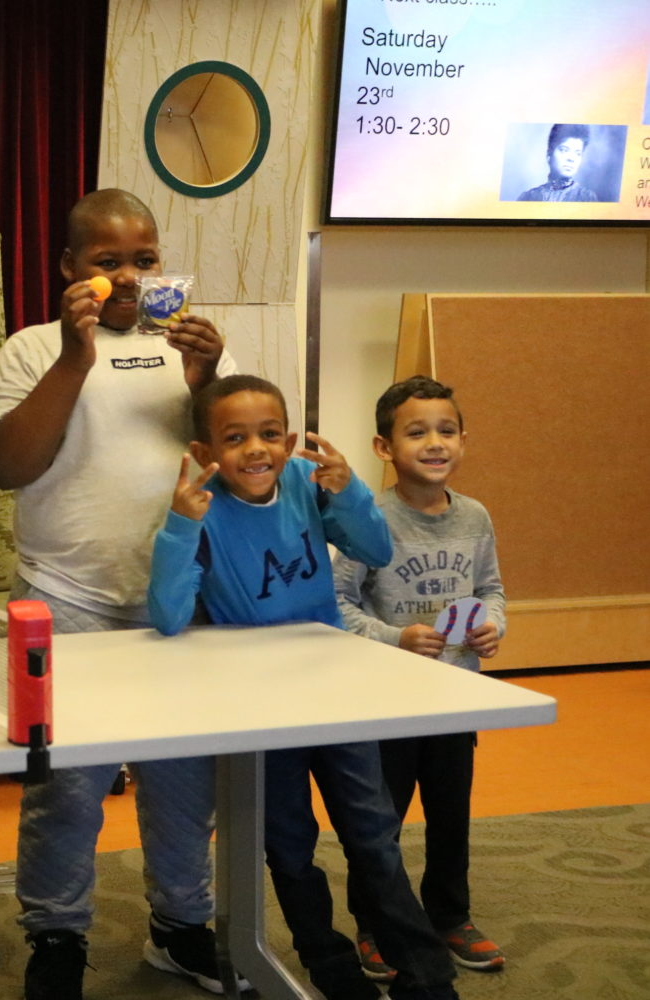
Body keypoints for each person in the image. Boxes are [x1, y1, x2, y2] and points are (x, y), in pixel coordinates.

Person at [0, 189, 240, 998]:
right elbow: (8, 466)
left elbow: (232, 457)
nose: (129, 278)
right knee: (67, 788)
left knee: (184, 780)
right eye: (107, 262)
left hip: (176, 596)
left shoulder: (182, 348)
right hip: (67, 598)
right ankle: (57, 934)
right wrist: (73, 356)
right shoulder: (30, 349)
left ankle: (181, 924)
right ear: (68, 268)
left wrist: (205, 378)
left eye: (145, 260)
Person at [147, 375, 462, 1000]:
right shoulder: (198, 505)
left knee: (373, 835)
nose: (256, 451)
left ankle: (425, 976)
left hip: (335, 691)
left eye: (269, 435)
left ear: (290, 440)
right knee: (289, 846)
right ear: (206, 451)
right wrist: (181, 527)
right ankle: (333, 972)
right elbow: (168, 616)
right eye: (235, 439)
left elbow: (373, 547)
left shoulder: (304, 482)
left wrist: (347, 495)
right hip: (261, 706)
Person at [336, 376, 507, 981]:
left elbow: (489, 589)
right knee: (378, 822)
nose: (435, 443)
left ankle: (450, 915)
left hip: (456, 697)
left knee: (450, 813)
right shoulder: (368, 520)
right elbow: (339, 605)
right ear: (384, 447)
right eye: (416, 433)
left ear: (463, 440)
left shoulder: (476, 516)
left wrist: (491, 624)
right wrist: (396, 638)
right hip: (387, 704)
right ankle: (375, 924)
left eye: (447, 431)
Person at [516, 123, 601, 202]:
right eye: (564, 150)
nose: (571, 158)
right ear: (549, 154)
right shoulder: (529, 197)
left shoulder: (587, 197)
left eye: (577, 153)